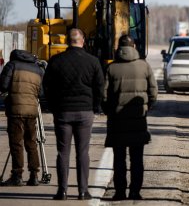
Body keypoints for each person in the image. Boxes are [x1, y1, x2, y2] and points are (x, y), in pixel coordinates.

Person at [43, 28, 104, 200]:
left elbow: (46, 86)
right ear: (82, 40)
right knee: (83, 152)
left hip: (63, 112)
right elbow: (99, 86)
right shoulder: (92, 61)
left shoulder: (56, 61)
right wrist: (95, 106)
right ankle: (83, 191)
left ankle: (62, 191)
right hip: (85, 112)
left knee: (63, 151)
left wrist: (54, 106)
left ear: (67, 41)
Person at [103, 34, 157, 201]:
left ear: (119, 48)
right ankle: (135, 191)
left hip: (117, 121)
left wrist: (109, 111)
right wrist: (145, 108)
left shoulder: (111, 68)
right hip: (138, 121)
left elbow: (104, 96)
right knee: (137, 160)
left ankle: (120, 192)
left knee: (119, 159)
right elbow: (153, 92)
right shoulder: (144, 66)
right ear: (134, 47)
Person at [0, 50, 44, 186]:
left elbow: (3, 85)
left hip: (15, 109)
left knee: (16, 143)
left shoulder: (11, 65)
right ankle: (34, 175)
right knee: (31, 143)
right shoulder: (37, 69)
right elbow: (41, 92)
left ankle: (17, 175)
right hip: (32, 110)